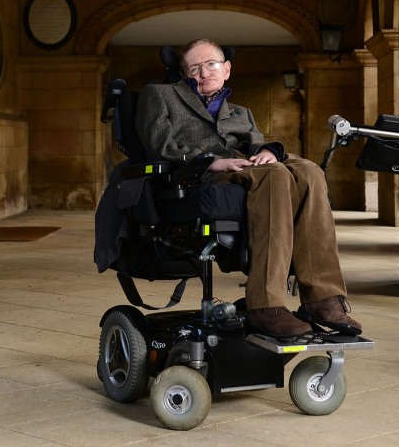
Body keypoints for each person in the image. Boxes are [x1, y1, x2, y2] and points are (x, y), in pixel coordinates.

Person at [135, 38, 361, 338]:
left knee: (308, 170)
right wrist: (210, 163)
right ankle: (266, 306)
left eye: (212, 64)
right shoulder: (160, 95)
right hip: (198, 173)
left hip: (246, 165)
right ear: (184, 73)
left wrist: (269, 151)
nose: (204, 72)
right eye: (195, 68)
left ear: (226, 69)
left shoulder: (240, 112)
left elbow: (256, 142)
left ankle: (322, 298)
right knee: (275, 176)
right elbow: (158, 146)